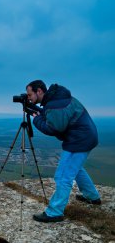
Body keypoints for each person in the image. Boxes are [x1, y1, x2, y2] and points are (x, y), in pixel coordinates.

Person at [26, 80, 101, 223]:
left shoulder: (55, 104)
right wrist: (37, 110)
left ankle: (55, 212)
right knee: (76, 168)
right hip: (86, 137)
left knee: (63, 176)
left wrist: (36, 120)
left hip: (78, 140)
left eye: (30, 94)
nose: (28, 97)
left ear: (39, 91)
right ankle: (92, 197)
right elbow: (54, 115)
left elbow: (53, 128)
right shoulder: (57, 100)